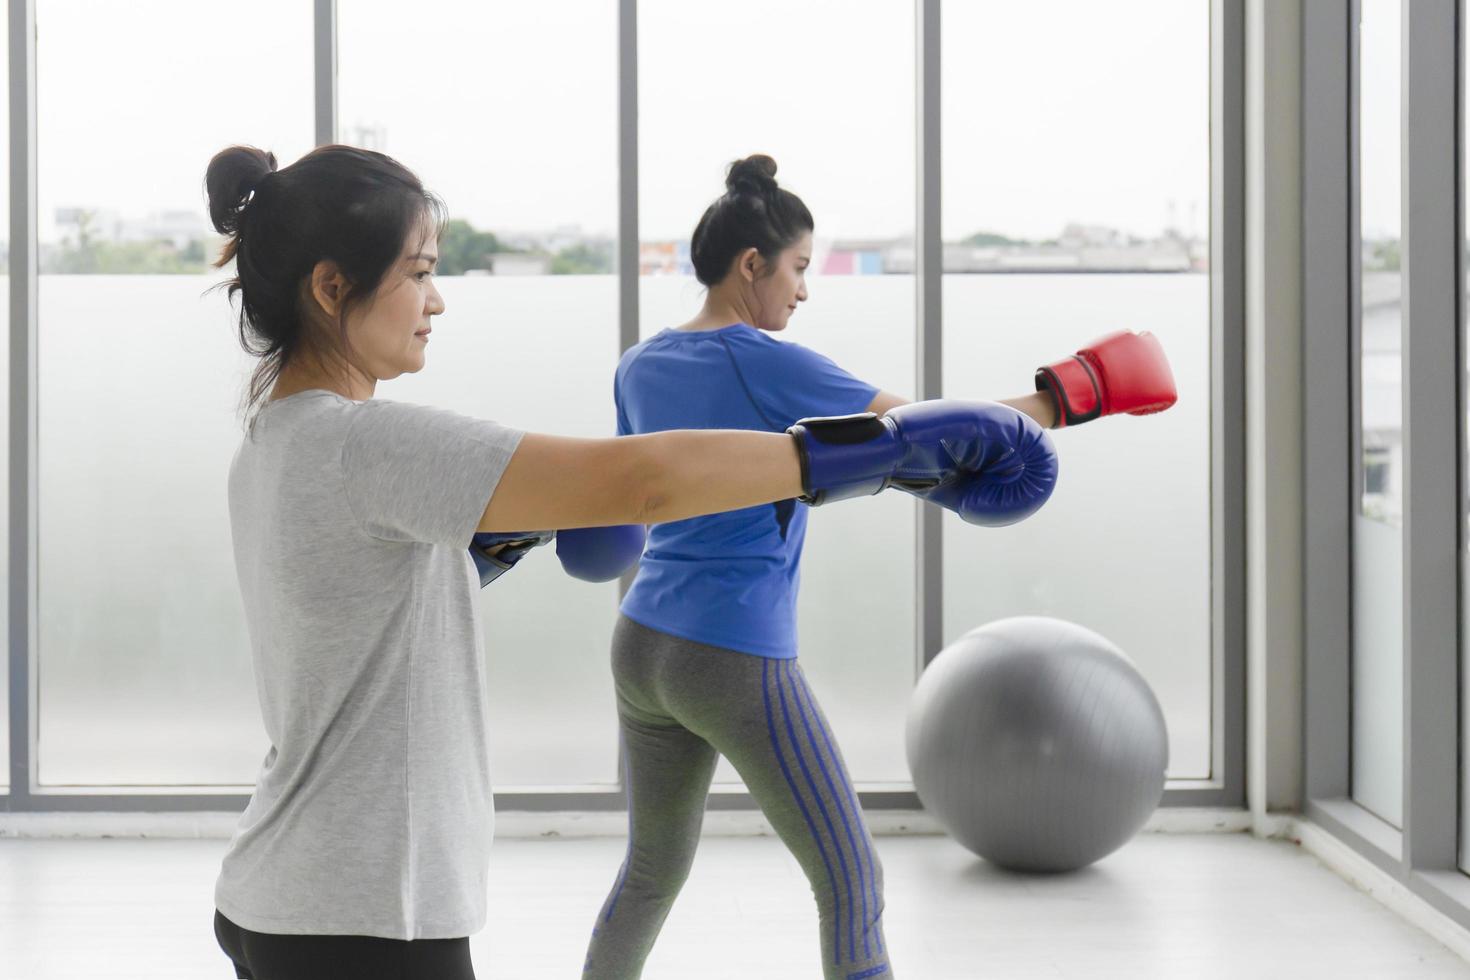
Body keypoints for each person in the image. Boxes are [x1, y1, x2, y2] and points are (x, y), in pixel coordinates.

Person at [203, 144, 1060, 980]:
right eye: (420, 272)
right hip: (363, 918)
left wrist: (487, 554)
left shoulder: (276, 442)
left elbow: (352, 604)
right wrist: (863, 451)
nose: (437, 301)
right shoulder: (369, 443)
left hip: (286, 895)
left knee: (656, 868)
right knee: (835, 875)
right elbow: (645, 479)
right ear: (330, 286)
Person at [582, 154, 1176, 980]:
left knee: (650, 873)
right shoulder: (763, 359)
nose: (803, 289)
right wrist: (1073, 396)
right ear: (750, 266)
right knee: (851, 880)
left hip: (641, 644)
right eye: (796, 268)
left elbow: (627, 496)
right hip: (731, 650)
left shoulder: (639, 362)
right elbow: (932, 431)